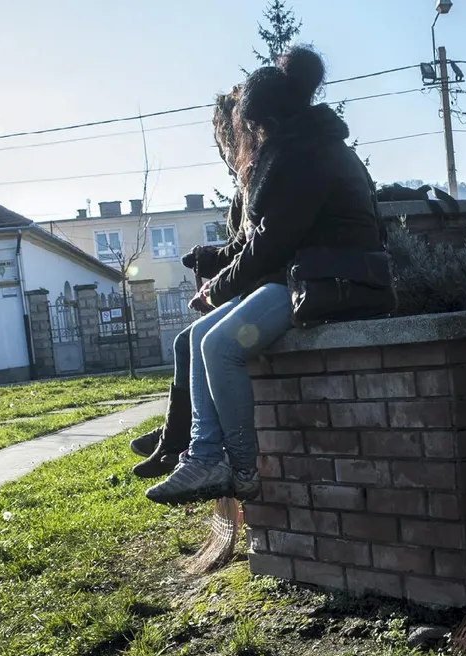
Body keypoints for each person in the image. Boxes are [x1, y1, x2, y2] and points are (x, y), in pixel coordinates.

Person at [147, 45, 381, 505]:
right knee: (196, 341)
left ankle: (239, 468)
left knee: (219, 345)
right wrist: (219, 279)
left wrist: (219, 289)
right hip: (305, 275)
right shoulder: (301, 149)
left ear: (268, 122)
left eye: (252, 127)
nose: (252, 137)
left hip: (336, 280)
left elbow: (269, 243)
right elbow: (263, 241)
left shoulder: (307, 158)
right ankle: (202, 455)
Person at [130, 86, 246, 479]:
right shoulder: (247, 182)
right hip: (254, 285)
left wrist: (215, 279)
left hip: (270, 290)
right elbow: (244, 245)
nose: (225, 149)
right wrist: (212, 257)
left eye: (226, 138)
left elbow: (257, 247)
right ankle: (173, 435)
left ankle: (181, 442)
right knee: (189, 341)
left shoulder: (260, 176)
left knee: (193, 341)